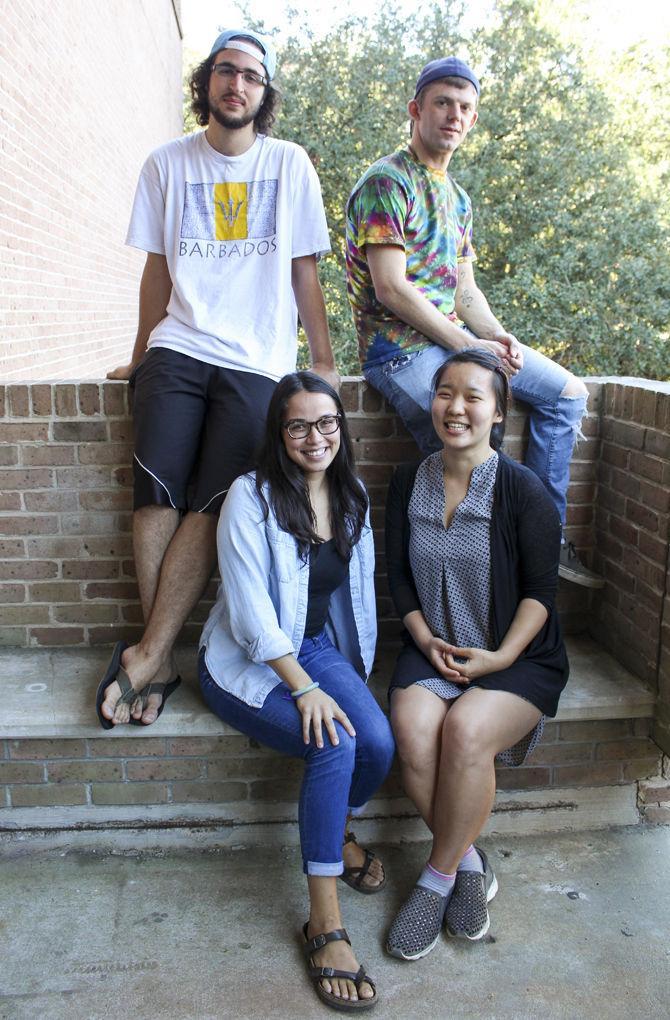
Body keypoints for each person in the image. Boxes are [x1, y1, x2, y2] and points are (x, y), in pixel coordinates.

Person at [96, 29, 337, 728]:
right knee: (156, 491)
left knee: (216, 501)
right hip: (179, 345)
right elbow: (159, 270)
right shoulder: (167, 163)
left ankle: (147, 657)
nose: (238, 85)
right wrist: (141, 353)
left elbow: (304, 269)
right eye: (226, 72)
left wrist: (320, 361)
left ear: (265, 94)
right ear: (207, 82)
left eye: (253, 77)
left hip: (258, 358)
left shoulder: (290, 165)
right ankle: (158, 653)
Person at [345, 56, 603, 589]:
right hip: (399, 353)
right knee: (468, 446)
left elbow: (464, 291)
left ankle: (546, 538)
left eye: (465, 107)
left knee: (567, 394)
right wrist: (469, 348)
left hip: (452, 346)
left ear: (474, 119)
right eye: (442, 102)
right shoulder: (387, 182)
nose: (453, 115)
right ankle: (460, 591)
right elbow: (392, 288)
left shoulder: (457, 199)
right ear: (416, 110)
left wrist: (497, 336)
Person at [199, 371, 395, 1011]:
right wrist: (308, 690)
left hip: (313, 649)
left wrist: (343, 677)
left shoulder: (351, 495)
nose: (316, 437)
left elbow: (354, 598)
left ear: (341, 426)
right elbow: (252, 617)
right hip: (246, 659)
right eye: (299, 426)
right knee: (334, 744)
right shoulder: (248, 499)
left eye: (327, 422)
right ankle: (324, 922)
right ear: (279, 434)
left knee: (380, 744)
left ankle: (335, 830)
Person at [383, 348, 569, 960]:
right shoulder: (408, 481)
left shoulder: (524, 491)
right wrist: (421, 635)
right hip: (432, 644)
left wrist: (498, 657)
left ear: (497, 412)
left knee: (463, 732)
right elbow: (399, 579)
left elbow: (542, 592)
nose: (455, 407)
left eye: (473, 396)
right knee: (411, 734)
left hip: (514, 656)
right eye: (444, 392)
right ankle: (468, 861)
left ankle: (435, 881)